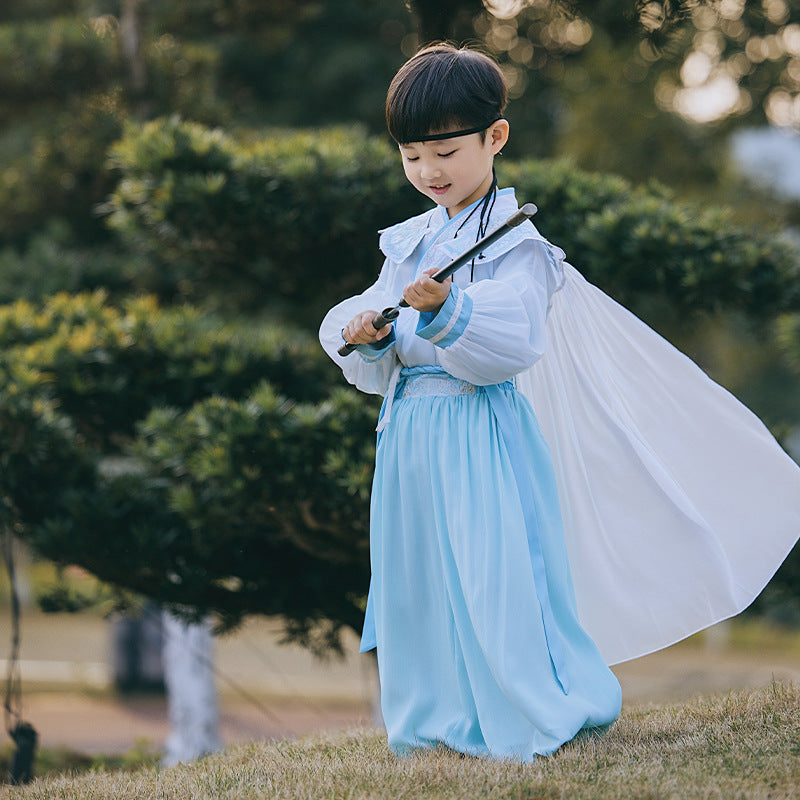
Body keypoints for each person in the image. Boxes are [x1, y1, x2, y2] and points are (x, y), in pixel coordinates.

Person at [319, 44, 800, 761]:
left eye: (446, 151)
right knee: (417, 581)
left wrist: (450, 311)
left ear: (496, 138)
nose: (429, 171)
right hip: (411, 432)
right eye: (412, 156)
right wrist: (362, 330)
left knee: (495, 579)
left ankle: (534, 715)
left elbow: (511, 341)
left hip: (478, 428)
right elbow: (366, 323)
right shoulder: (412, 241)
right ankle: (429, 724)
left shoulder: (521, 246)